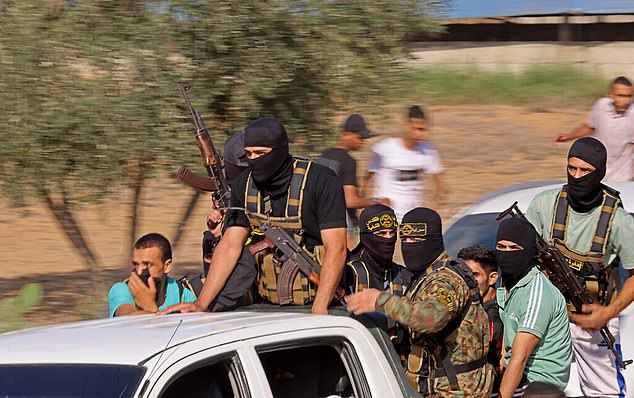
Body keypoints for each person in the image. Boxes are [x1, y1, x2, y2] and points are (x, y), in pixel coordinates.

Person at [161, 117, 347, 315]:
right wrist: (201, 304)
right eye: (249, 153)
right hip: (266, 305)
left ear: (281, 150)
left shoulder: (321, 181)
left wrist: (320, 307)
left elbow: (337, 248)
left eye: (261, 153)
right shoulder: (245, 185)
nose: (254, 159)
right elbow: (230, 245)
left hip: (321, 302)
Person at [526, 136, 634, 397]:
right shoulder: (544, 205)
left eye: (585, 171)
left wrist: (607, 313)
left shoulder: (617, 221)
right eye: (571, 168)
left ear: (600, 173)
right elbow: (520, 256)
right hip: (545, 319)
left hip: (591, 322)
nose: (576, 176)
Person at [346, 207, 492, 397]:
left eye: (416, 240)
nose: (409, 246)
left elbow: (430, 319)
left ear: (433, 241)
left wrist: (379, 300)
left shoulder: (446, 280)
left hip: (456, 391)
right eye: (405, 240)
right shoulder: (424, 277)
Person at [495, 218, 572, 397]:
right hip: (517, 373)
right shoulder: (507, 283)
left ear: (529, 251)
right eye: (501, 247)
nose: (506, 253)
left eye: (514, 248)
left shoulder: (537, 291)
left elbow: (519, 358)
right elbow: (507, 346)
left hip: (539, 383)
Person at [198, 132, 258, 312]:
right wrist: (217, 228)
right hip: (229, 262)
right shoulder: (233, 192)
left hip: (252, 263)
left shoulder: (257, 192)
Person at [367, 105, 444, 221]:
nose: (419, 134)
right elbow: (367, 179)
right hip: (386, 216)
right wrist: (373, 204)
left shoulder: (429, 150)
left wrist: (436, 206)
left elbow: (440, 183)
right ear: (406, 126)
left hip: (412, 217)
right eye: (416, 129)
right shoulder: (385, 147)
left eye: (423, 129)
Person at [319, 114, 384, 248]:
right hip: (342, 223)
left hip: (320, 221)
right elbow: (350, 200)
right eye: (359, 137)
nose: (362, 142)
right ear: (346, 134)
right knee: (348, 263)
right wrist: (377, 203)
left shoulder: (323, 156)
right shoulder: (348, 161)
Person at [555, 76, 634, 181]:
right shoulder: (601, 106)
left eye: (629, 96)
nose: (625, 100)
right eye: (620, 96)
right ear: (610, 94)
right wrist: (569, 136)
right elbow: (590, 126)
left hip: (623, 178)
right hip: (597, 173)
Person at [108, 233, 196, 317]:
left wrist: (150, 307)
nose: (139, 272)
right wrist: (148, 305)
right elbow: (127, 316)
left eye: (147, 264)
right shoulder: (122, 289)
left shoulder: (182, 294)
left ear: (167, 266)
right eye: (136, 264)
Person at [458, 244, 502, 390]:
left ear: (492, 278)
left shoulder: (492, 317)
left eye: (474, 275)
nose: (467, 280)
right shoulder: (472, 307)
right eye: (463, 274)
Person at [343, 204, 411, 295]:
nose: (388, 238)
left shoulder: (403, 276)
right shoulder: (349, 273)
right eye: (381, 233)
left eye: (392, 233)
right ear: (366, 237)